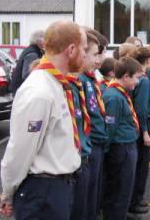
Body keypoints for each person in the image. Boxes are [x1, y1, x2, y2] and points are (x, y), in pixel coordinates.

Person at [0, 21, 86, 219]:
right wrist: (8, 191)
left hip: (58, 188)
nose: (84, 54)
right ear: (71, 50)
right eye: (83, 48)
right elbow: (20, 149)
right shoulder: (40, 91)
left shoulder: (57, 84)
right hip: (42, 192)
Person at [102, 57, 142, 220]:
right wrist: (108, 152)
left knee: (125, 188)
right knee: (119, 189)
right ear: (126, 76)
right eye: (136, 78)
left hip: (127, 147)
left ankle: (120, 214)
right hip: (121, 149)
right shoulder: (113, 97)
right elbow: (110, 129)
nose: (137, 82)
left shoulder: (121, 93)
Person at [68, 32, 100, 220]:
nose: (99, 60)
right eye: (95, 54)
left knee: (87, 207)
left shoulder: (80, 83)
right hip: (75, 161)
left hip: (86, 153)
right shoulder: (69, 85)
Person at [78, 27, 109, 220]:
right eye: (96, 54)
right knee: (85, 202)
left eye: (101, 54)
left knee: (92, 197)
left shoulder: (90, 79)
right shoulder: (81, 80)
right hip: (89, 146)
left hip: (97, 143)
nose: (99, 60)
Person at [128, 47, 150, 215]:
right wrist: (144, 131)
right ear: (147, 61)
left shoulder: (139, 78)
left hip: (137, 125)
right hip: (142, 125)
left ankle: (134, 199)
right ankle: (136, 200)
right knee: (141, 166)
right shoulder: (143, 81)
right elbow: (141, 108)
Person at [9, 30, 45, 94]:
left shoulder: (34, 50)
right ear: (38, 41)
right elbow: (27, 75)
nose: (46, 42)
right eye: (45, 39)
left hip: (21, 89)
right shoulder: (32, 54)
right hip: (21, 91)